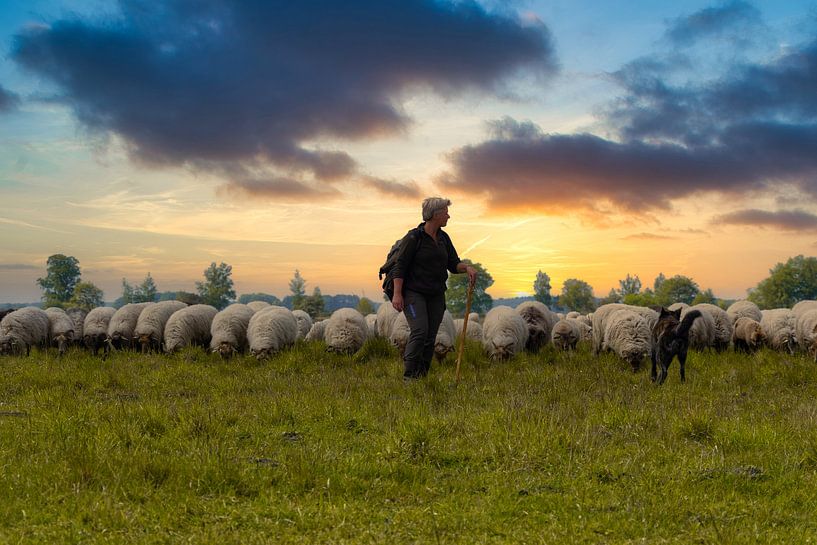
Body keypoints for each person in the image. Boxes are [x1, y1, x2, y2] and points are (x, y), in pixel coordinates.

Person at [392, 197, 477, 380]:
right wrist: (397, 294)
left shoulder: (443, 238)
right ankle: (409, 377)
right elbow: (400, 266)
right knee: (420, 331)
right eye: (446, 212)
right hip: (413, 294)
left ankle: (422, 376)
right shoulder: (414, 237)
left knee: (430, 336)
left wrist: (467, 268)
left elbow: (453, 263)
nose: (449, 216)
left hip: (436, 295)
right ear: (436, 214)